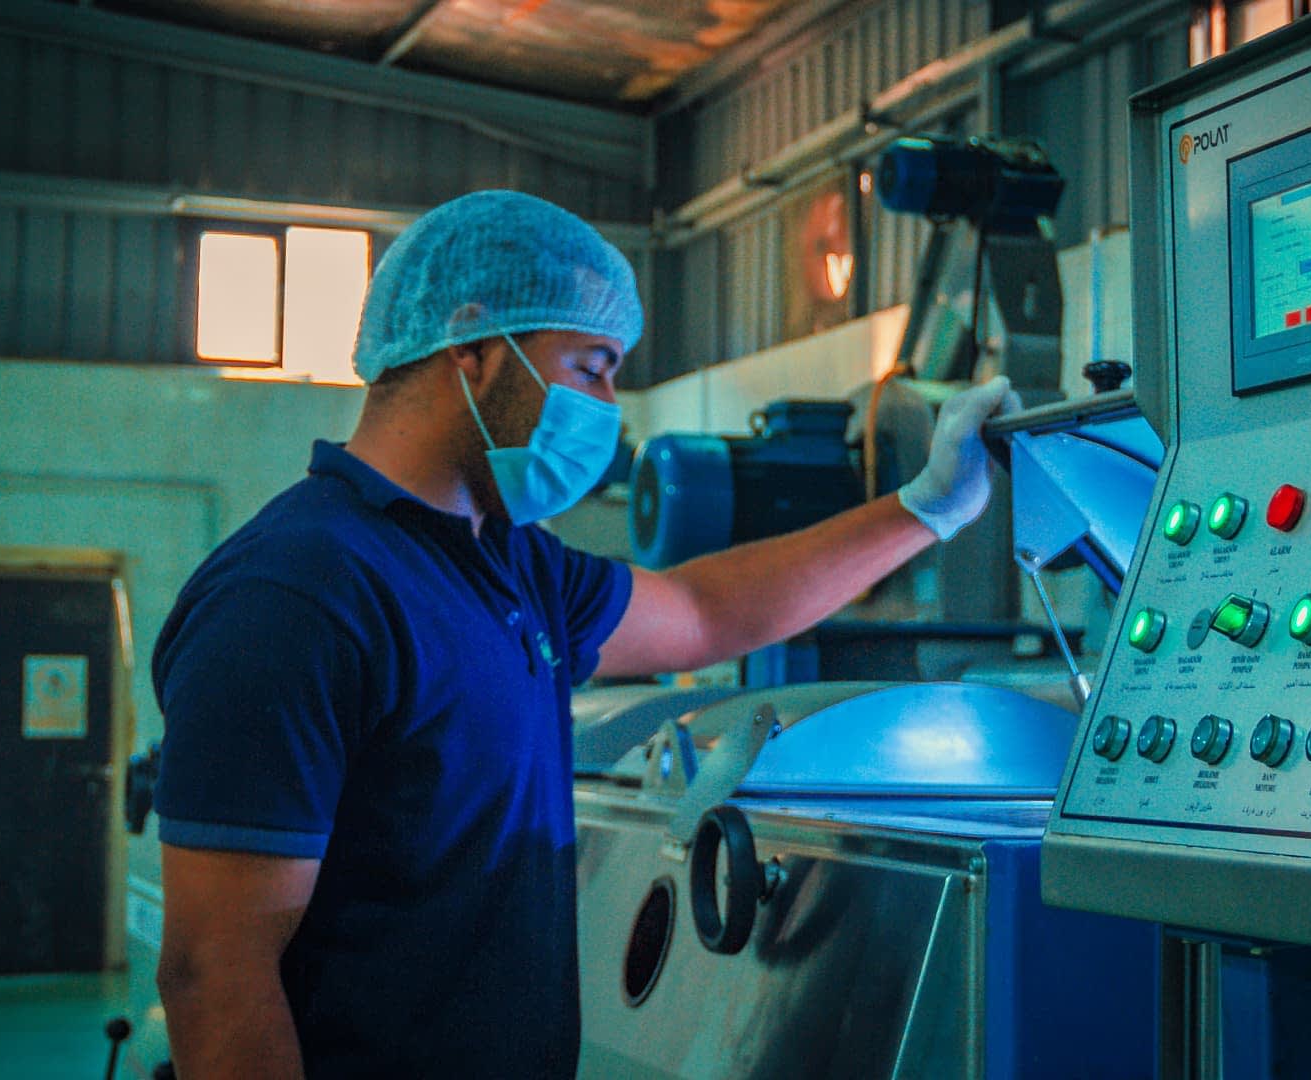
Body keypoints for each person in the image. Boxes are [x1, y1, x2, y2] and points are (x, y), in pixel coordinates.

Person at [151, 190, 1018, 1078]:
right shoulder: (297, 594)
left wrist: (924, 510)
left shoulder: (512, 563)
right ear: (477, 349)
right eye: (591, 365)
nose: (610, 405)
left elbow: (703, 612)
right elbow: (214, 976)